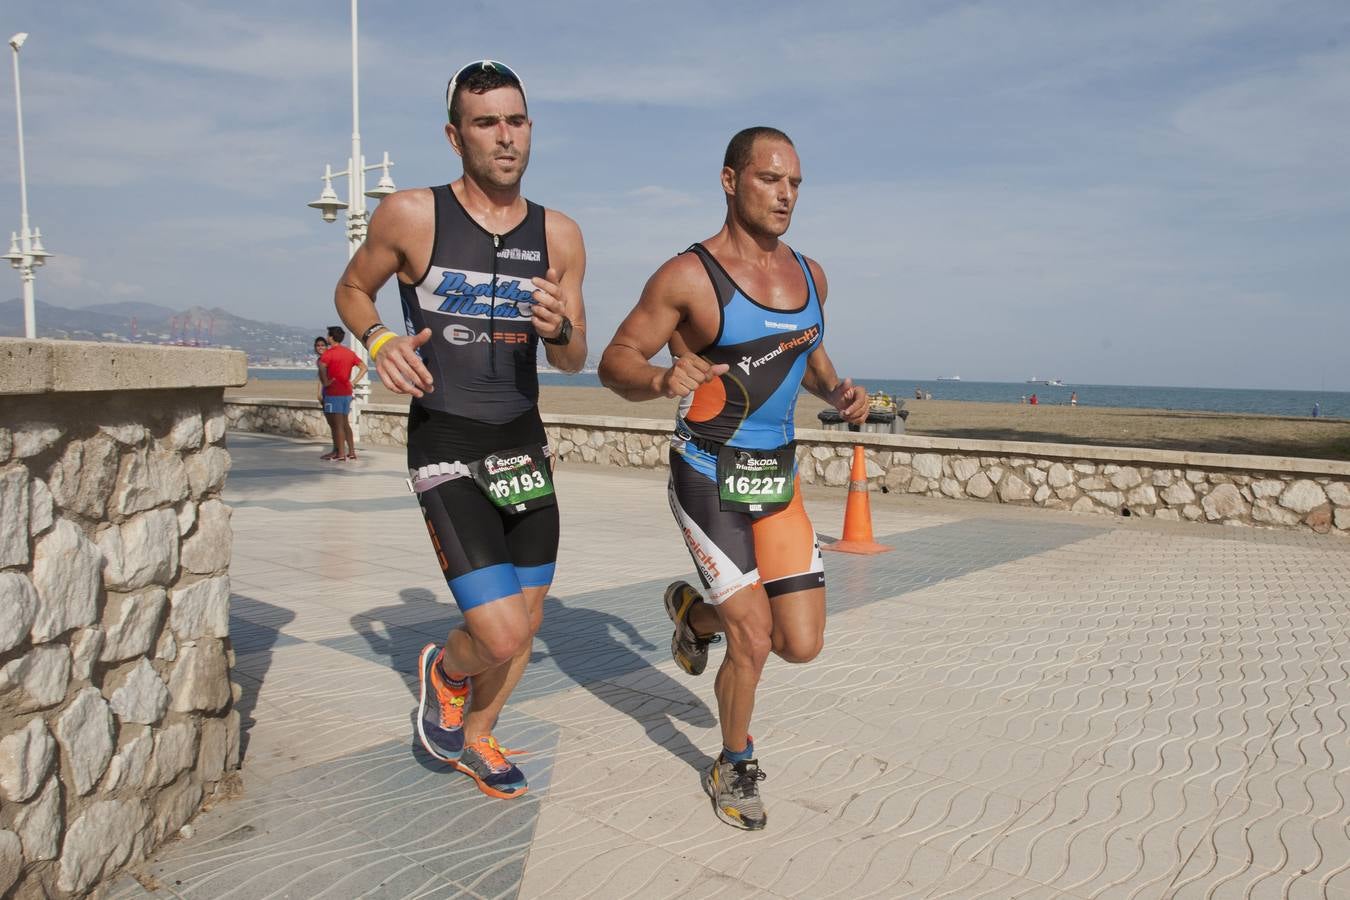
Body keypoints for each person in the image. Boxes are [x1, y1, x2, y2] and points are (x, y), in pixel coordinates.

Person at [331, 60, 588, 800]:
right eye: (486, 123)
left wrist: (561, 326)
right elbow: (353, 287)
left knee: (528, 621)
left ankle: (477, 737)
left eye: (515, 120)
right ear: (455, 135)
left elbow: (574, 359)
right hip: (447, 438)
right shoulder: (413, 215)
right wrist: (379, 341)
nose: (504, 138)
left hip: (523, 442)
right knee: (499, 633)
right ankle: (445, 670)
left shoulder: (561, 234)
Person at [598, 126, 867, 831]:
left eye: (796, 184)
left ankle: (694, 615)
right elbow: (616, 359)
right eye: (771, 179)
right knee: (753, 638)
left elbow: (805, 352)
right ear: (730, 181)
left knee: (799, 641)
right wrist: (660, 376)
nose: (785, 195)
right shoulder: (689, 276)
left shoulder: (812, 275)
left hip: (776, 477)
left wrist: (838, 392)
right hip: (707, 474)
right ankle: (734, 761)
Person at [317, 328, 366, 461]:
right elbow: (364, 367)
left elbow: (321, 367)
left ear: (331, 337)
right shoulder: (349, 353)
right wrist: (353, 382)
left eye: (328, 335)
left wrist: (325, 382)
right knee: (345, 423)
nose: (327, 337)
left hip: (333, 393)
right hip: (347, 393)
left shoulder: (329, 354)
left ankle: (340, 454)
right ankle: (351, 452)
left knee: (337, 424)